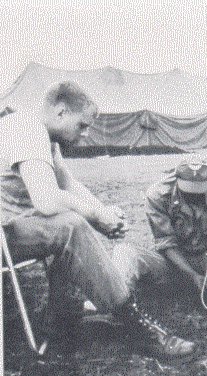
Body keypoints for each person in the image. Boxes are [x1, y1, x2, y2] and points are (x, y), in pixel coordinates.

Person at [0, 81, 195, 358]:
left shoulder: (40, 133)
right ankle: (138, 327)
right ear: (61, 112)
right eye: (82, 125)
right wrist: (94, 216)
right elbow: (46, 200)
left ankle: (62, 323)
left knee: (67, 223)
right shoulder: (27, 129)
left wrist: (103, 212)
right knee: (70, 226)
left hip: (10, 231)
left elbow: (67, 184)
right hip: (4, 237)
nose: (86, 134)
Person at [145, 156, 207, 294]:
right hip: (174, 258)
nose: (195, 196)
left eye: (200, 191)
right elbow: (166, 243)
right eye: (189, 191)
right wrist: (193, 275)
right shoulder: (158, 195)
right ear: (177, 180)